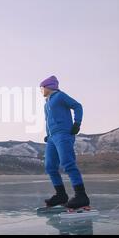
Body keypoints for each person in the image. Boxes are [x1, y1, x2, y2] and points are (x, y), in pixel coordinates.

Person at [40, 75, 90, 209]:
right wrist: (48, 135)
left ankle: (81, 196)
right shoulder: (46, 104)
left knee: (67, 163)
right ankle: (61, 194)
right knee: (50, 166)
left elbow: (77, 106)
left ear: (48, 86)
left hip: (63, 134)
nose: (41, 90)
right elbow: (48, 122)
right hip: (52, 137)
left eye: (42, 87)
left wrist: (77, 123)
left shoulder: (60, 96)